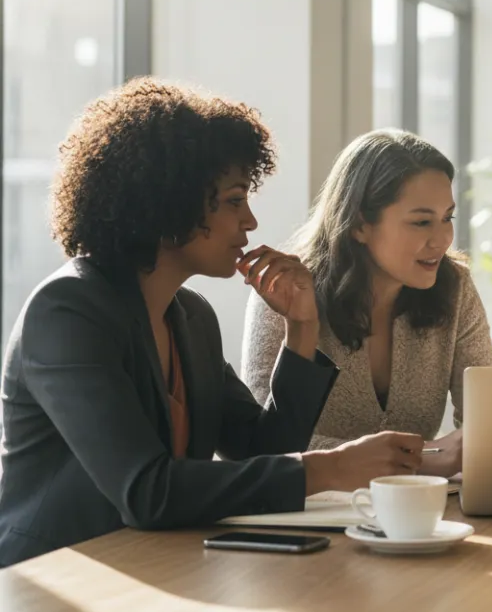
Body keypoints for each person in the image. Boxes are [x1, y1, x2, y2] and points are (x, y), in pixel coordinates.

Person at [0, 81, 423, 567]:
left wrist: (302, 327)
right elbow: (146, 490)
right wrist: (330, 468)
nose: (250, 221)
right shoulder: (67, 312)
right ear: (171, 201)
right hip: (56, 576)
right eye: (234, 200)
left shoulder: (191, 317)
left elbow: (261, 451)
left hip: (154, 568)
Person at [243, 129, 492, 479]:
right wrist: (422, 458)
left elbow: (491, 419)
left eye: (447, 218)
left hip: (413, 506)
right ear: (360, 224)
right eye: (422, 222)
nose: (442, 239)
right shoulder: (285, 294)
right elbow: (262, 445)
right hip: (308, 508)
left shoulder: (455, 288)